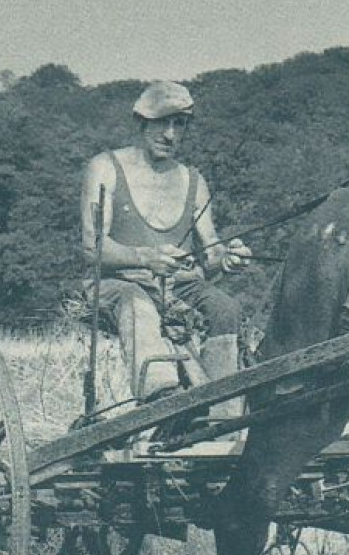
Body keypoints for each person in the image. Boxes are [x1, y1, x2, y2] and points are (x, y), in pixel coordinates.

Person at [80, 80, 251, 402]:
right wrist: (146, 257)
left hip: (180, 285)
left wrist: (227, 257)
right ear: (141, 122)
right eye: (162, 123)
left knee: (226, 309)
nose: (170, 134)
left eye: (180, 124)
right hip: (119, 283)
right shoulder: (105, 168)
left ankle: (223, 408)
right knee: (137, 305)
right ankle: (161, 399)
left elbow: (210, 251)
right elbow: (93, 247)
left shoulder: (193, 180)